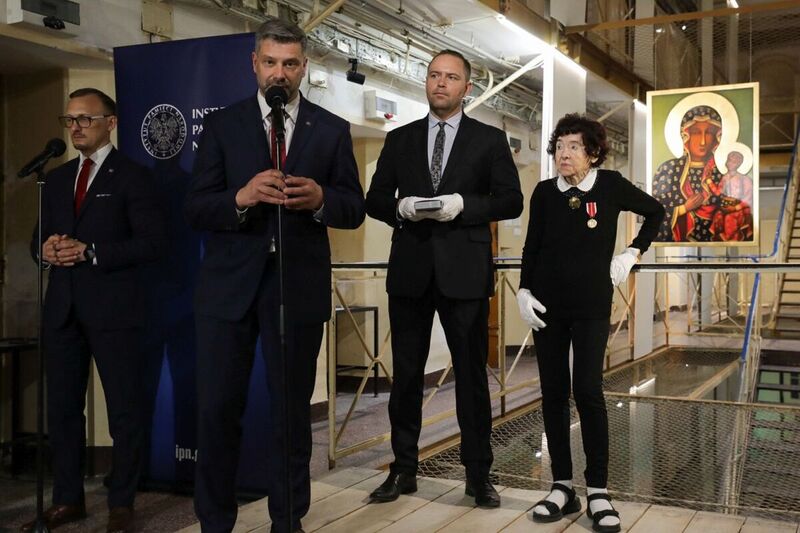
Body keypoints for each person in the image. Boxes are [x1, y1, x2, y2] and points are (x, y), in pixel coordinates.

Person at [185, 18, 365, 533]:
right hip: (228, 292)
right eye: (270, 62)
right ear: (254, 65)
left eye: (289, 64)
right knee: (218, 411)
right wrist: (241, 198)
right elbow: (196, 207)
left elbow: (353, 208)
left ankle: (287, 520)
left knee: (290, 414)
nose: (279, 73)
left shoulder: (331, 129)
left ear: (304, 68)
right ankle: (214, 522)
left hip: (296, 289)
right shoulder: (223, 125)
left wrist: (322, 199)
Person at [365, 49, 523, 508]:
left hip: (465, 273)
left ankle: (478, 475)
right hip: (410, 270)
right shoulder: (399, 139)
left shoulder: (489, 140)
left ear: (466, 88)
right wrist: (400, 207)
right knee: (406, 377)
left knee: (471, 377)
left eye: (451, 77)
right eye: (434, 75)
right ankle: (403, 470)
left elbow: (511, 200)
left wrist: (465, 205)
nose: (440, 83)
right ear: (426, 81)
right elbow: (375, 199)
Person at [23, 88, 167, 533]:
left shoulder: (134, 176)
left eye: (85, 118)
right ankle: (68, 500)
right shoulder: (56, 178)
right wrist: (46, 250)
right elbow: (37, 241)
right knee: (63, 410)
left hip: (115, 311)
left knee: (124, 410)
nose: (76, 127)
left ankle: (121, 501)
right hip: (62, 311)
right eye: (70, 120)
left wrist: (92, 252)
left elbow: (152, 243)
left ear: (111, 122)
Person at [517, 114, 664, 533]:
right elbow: (532, 246)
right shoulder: (544, 192)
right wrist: (524, 290)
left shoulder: (610, 185)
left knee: (587, 391)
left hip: (591, 306)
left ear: (593, 153)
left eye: (574, 146)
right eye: (559, 146)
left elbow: (656, 212)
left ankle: (598, 490)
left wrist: (632, 252)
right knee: (552, 394)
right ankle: (562, 486)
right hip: (546, 307)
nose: (564, 154)